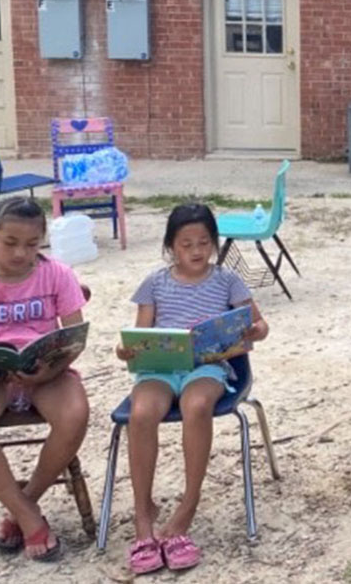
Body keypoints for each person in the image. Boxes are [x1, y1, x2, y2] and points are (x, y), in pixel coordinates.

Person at [115, 204, 270, 574]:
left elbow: (260, 324)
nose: (197, 250)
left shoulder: (227, 281)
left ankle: (188, 506)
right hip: (160, 369)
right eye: (186, 244)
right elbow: (142, 335)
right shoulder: (155, 283)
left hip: (208, 366)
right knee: (141, 412)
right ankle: (143, 516)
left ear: (214, 244)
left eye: (204, 242)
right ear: (171, 246)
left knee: (197, 405)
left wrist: (253, 331)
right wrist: (128, 350)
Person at [0, 197, 88, 562]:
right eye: (9, 242)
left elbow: (75, 336)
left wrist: (52, 369)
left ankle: (21, 505)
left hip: (45, 369)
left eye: (31, 245)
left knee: (75, 415)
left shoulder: (56, 273)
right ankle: (29, 517)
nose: (20, 253)